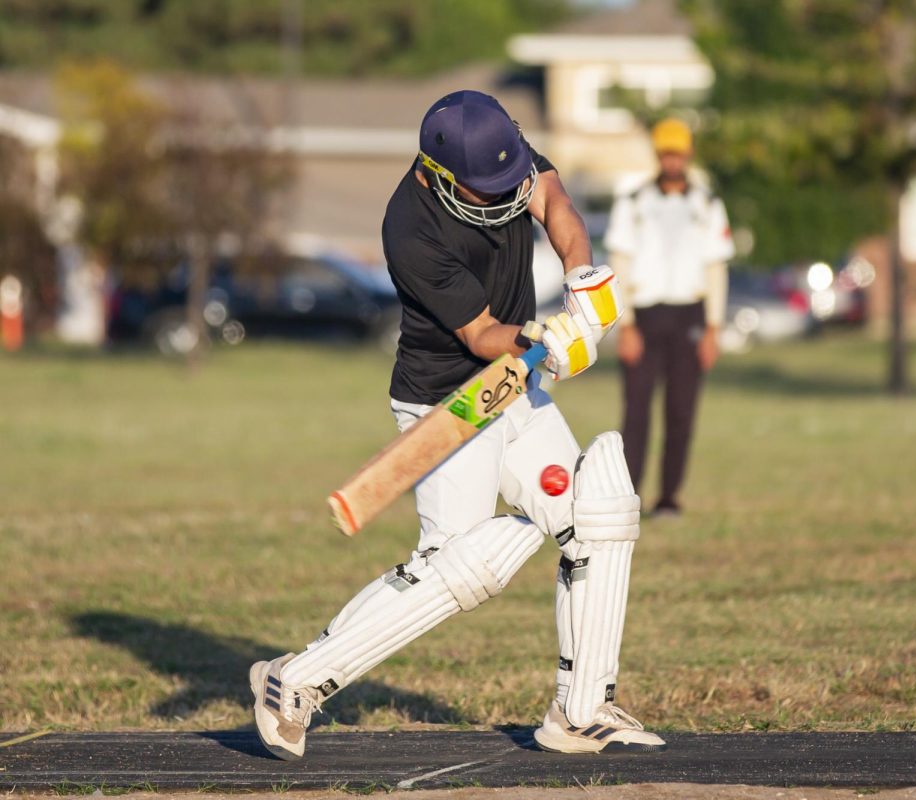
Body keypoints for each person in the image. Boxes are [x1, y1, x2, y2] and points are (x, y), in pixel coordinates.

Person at [248, 90, 665, 759]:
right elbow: (480, 334)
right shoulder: (409, 227)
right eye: (487, 192)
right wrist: (546, 338)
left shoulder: (497, 154)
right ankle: (291, 681)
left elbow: (555, 202)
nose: (507, 197)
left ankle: (582, 711)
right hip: (451, 402)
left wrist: (583, 275)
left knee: (598, 515)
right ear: (440, 176)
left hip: (518, 392)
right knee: (462, 567)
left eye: (510, 180)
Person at [603, 118, 735, 517]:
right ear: (658, 155)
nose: (673, 160)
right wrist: (624, 326)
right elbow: (619, 264)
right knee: (636, 409)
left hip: (689, 314)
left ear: (688, 154)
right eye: (666, 153)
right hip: (644, 315)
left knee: (681, 410)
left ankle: (669, 498)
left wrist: (713, 328)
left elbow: (716, 269)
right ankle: (629, 495)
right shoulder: (633, 202)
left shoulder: (708, 204)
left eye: (679, 152)